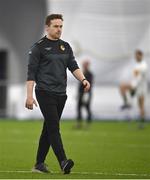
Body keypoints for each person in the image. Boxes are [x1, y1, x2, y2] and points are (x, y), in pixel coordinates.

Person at [25, 14, 90, 174]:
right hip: (44, 92)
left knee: (48, 128)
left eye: (61, 26)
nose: (59, 29)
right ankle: (63, 162)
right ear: (47, 27)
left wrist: (83, 79)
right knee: (54, 127)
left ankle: (39, 164)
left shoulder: (65, 46)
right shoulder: (38, 47)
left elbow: (73, 66)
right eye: (56, 26)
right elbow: (31, 74)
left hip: (61, 94)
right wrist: (29, 96)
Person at [119, 50, 148, 128]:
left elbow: (139, 78)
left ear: (141, 56)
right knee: (122, 87)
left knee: (141, 105)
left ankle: (142, 123)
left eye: (137, 55)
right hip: (137, 86)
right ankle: (127, 103)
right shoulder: (137, 65)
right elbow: (135, 77)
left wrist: (133, 85)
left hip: (141, 88)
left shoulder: (143, 65)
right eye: (135, 55)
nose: (136, 57)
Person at [76, 60, 93, 128]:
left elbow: (89, 84)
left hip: (86, 93)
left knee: (87, 108)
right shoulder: (82, 73)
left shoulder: (90, 74)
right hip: (81, 93)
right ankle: (79, 124)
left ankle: (88, 124)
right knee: (79, 108)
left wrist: (86, 94)